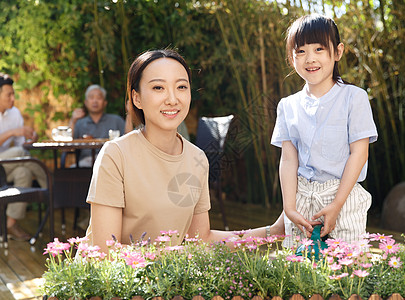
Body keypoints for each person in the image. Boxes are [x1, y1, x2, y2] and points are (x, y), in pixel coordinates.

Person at [85, 49, 284, 253]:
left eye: (181, 87)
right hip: (109, 283)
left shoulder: (196, 158)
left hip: (165, 280)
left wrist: (274, 231)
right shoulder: (116, 155)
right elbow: (104, 252)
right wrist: (175, 256)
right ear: (136, 98)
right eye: (158, 87)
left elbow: (201, 239)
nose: (172, 99)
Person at [271, 14, 378, 248]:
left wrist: (337, 204)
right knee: (298, 269)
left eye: (319, 49)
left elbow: (359, 154)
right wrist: (289, 207)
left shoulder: (354, 97)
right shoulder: (287, 105)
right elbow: (288, 159)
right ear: (291, 58)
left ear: (338, 52)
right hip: (301, 197)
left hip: (344, 194)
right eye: (300, 51)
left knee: (348, 270)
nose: (310, 58)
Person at [0, 73, 47, 241]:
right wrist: (12, 132)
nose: (13, 98)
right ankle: (50, 187)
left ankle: (10, 224)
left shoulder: (15, 114)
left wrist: (30, 139)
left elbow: (21, 146)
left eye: (13, 94)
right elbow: (19, 149)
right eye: (8, 95)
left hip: (5, 168)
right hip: (3, 161)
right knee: (21, 155)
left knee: (23, 173)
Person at [68, 84, 125, 167]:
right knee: (69, 172)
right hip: (86, 163)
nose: (95, 101)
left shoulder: (116, 120)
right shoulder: (79, 123)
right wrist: (72, 121)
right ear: (86, 103)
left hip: (111, 162)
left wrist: (130, 114)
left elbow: (129, 142)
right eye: (91, 97)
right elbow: (67, 148)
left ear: (105, 103)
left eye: (99, 98)